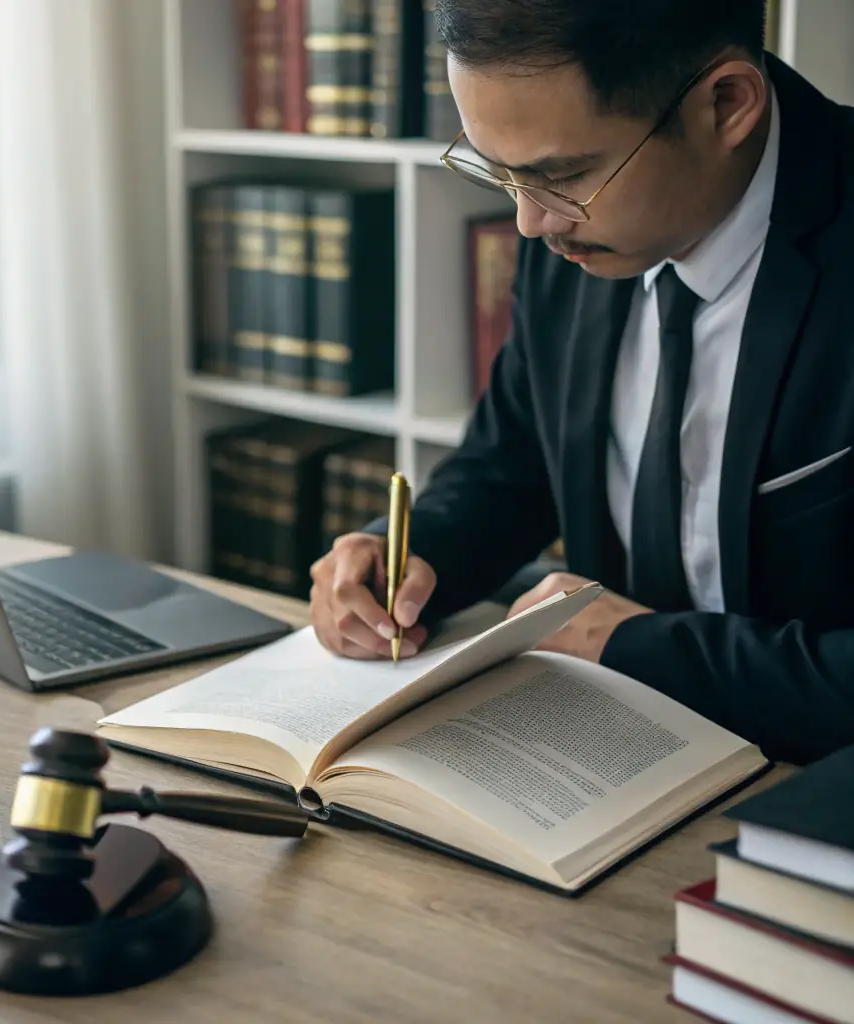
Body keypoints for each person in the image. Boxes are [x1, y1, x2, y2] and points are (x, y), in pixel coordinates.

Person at [308, 0, 854, 766]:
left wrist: (640, 649)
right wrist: (404, 556)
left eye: (557, 175)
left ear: (725, 104)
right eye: (500, 173)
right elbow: (514, 461)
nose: (528, 223)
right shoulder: (576, 221)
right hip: (593, 755)